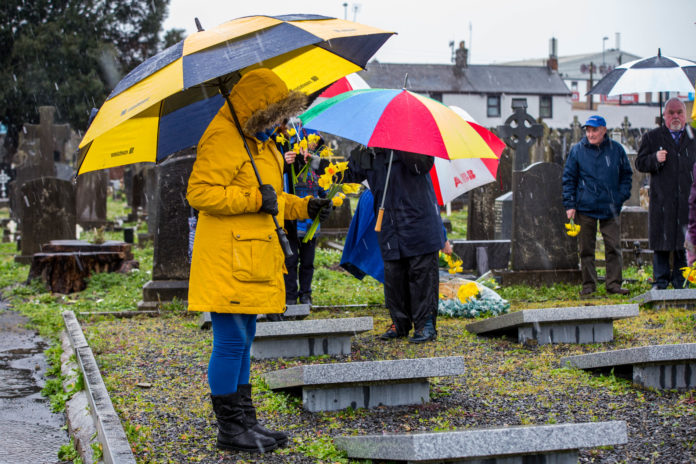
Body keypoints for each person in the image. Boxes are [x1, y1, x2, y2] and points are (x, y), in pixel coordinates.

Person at [186, 69, 331, 453]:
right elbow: (199, 193)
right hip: (227, 256)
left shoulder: (260, 143)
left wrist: (303, 206)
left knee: (244, 340)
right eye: (277, 117)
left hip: (251, 255)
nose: (281, 126)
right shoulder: (222, 137)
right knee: (231, 341)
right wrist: (255, 201)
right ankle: (230, 430)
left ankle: (246, 422)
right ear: (259, 110)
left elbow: (272, 197)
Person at [346, 146, 445, 343]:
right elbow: (349, 173)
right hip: (389, 223)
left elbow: (422, 165)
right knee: (394, 276)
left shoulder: (411, 140)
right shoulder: (368, 151)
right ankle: (400, 324)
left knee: (421, 274)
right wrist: (315, 163)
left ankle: (425, 325)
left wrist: (398, 146)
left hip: (418, 220)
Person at [562, 115, 632, 297]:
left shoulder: (616, 150)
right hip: (585, 207)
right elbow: (569, 178)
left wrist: (620, 197)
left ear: (604, 130)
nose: (591, 134)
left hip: (610, 207)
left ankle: (614, 284)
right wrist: (570, 204)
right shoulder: (577, 150)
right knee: (586, 249)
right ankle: (588, 285)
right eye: (588, 130)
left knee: (613, 247)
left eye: (594, 130)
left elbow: (626, 175)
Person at [636, 98, 696, 289]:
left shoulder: (693, 137)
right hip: (662, 199)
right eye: (671, 113)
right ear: (665, 116)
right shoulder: (652, 138)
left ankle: (680, 280)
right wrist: (655, 158)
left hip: (687, 199)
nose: (676, 116)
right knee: (661, 241)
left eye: (679, 112)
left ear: (685, 115)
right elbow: (640, 163)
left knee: (682, 241)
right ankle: (660, 281)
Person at [279, 125, 329, 306]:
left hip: (311, 222)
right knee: (291, 261)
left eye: (316, 143)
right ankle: (290, 296)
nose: (312, 146)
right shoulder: (291, 165)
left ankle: (306, 294)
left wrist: (328, 200)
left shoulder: (317, 166)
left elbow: (325, 190)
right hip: (292, 220)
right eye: (310, 142)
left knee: (308, 262)